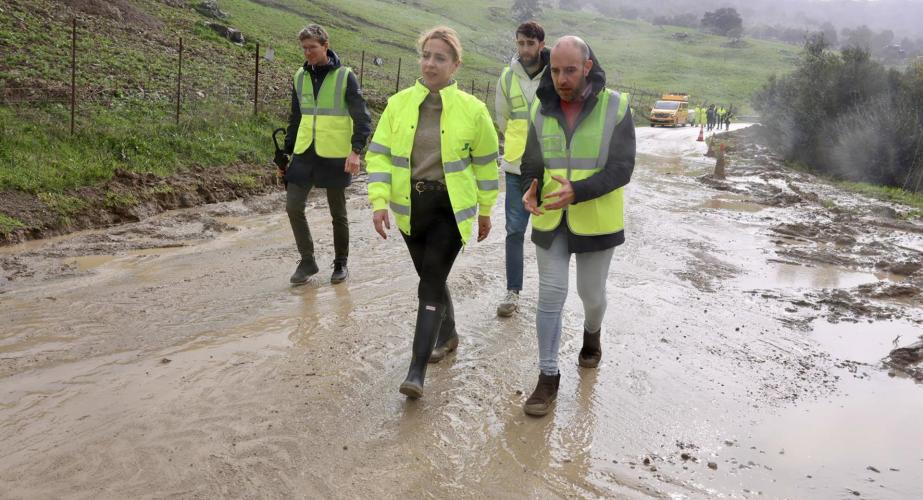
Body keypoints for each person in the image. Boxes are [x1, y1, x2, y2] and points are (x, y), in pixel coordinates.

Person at [367, 26, 499, 398]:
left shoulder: (474, 110)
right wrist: (379, 201)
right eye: (426, 55)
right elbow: (377, 155)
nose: (430, 63)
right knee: (433, 277)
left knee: (428, 284)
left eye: (440, 58)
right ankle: (449, 333)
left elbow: (488, 165)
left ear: (455, 65)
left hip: (450, 210)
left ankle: (416, 370)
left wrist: (486, 210)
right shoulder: (398, 104)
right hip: (410, 208)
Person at [519, 36, 635, 417]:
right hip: (552, 218)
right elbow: (532, 160)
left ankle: (592, 334)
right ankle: (547, 377)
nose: (561, 78)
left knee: (592, 295)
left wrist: (579, 191)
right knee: (550, 295)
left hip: (596, 220)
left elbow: (623, 169)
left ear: (587, 67)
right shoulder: (541, 107)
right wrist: (530, 187)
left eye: (569, 70)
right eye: (555, 70)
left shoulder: (616, 108)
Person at [282, 24, 371, 285]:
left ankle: (341, 263)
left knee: (337, 212)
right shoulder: (299, 75)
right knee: (293, 206)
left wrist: (356, 151)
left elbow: (362, 117)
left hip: (334, 153)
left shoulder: (345, 76)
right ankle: (307, 261)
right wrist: (287, 150)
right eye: (304, 48)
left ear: (325, 46)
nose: (308, 52)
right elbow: (296, 116)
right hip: (304, 151)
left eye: (312, 47)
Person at [494, 21, 550, 318]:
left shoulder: (554, 73)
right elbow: (502, 118)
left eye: (530, 43)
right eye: (520, 43)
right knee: (514, 231)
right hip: (516, 168)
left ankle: (550, 293)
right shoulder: (507, 77)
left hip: (549, 169)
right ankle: (512, 291)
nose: (524, 49)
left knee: (548, 233)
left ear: (541, 44)